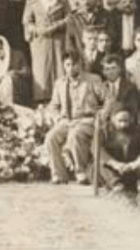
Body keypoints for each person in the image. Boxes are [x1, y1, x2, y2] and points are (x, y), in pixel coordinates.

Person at [44, 52, 105, 184]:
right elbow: (53, 106)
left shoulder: (93, 80)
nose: (71, 68)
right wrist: (58, 119)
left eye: (74, 64)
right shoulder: (60, 83)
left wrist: (102, 115)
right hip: (66, 121)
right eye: (68, 65)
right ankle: (58, 174)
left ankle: (80, 171)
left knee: (75, 134)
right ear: (64, 66)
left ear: (80, 65)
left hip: (87, 120)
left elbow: (107, 99)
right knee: (51, 137)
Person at [23, 0, 70, 103]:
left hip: (57, 39)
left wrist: (56, 26)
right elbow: (27, 19)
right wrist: (33, 28)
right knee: (41, 70)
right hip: (40, 40)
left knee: (59, 68)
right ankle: (42, 99)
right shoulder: (34, 1)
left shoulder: (61, 0)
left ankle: (61, 98)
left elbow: (69, 17)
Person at [94, 106, 140, 202]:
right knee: (99, 163)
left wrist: (136, 163)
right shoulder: (104, 130)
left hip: (133, 168)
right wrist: (115, 164)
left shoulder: (138, 130)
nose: (123, 124)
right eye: (120, 121)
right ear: (113, 119)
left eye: (126, 121)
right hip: (114, 170)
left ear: (131, 119)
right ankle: (118, 188)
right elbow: (97, 149)